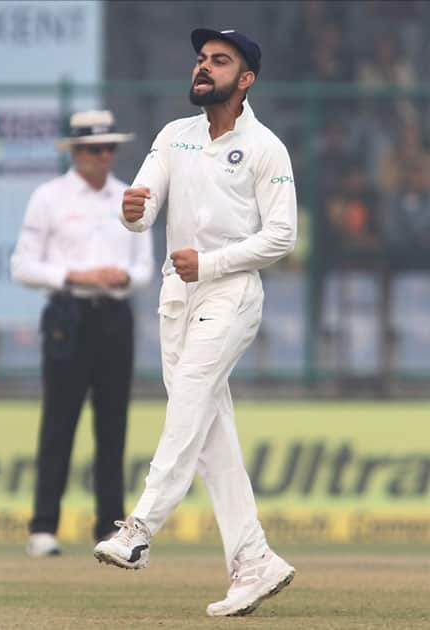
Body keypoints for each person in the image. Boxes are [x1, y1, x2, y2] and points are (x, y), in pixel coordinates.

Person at [94, 29, 297, 617]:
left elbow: (282, 235)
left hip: (231, 293)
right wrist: (132, 212)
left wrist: (211, 261)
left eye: (219, 61)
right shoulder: (173, 136)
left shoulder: (265, 147)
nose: (203, 68)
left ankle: (139, 529)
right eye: (201, 59)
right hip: (176, 298)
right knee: (210, 435)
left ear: (246, 79)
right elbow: (144, 202)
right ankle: (254, 560)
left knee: (187, 401)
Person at [10, 110, 154, 557]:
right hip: (68, 315)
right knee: (59, 421)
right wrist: (79, 274)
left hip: (114, 315)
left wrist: (119, 278)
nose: (104, 157)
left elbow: (145, 268)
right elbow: (23, 266)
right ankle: (43, 529)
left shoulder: (129, 196)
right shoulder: (49, 197)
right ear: (76, 152)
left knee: (112, 425)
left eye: (110, 147)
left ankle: (109, 529)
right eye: (95, 148)